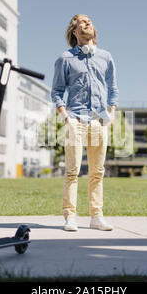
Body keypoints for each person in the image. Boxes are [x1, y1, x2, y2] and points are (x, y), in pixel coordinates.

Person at [51, 14, 119, 231]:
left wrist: (113, 112)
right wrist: (65, 117)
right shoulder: (65, 59)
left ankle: (96, 216)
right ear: (74, 31)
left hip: (100, 120)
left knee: (97, 172)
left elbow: (113, 87)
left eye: (89, 20)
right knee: (72, 171)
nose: (87, 22)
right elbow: (57, 91)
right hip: (75, 119)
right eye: (81, 21)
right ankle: (70, 217)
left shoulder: (106, 57)